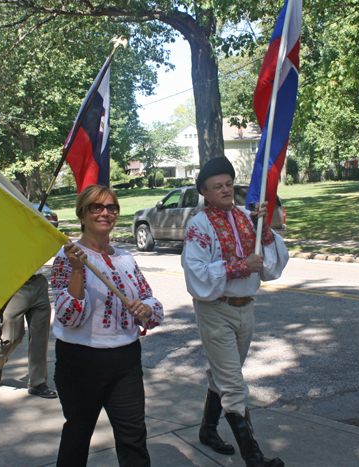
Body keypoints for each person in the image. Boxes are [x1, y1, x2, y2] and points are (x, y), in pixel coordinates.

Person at [181, 157, 289, 467]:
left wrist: (265, 231)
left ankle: (207, 430)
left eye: (229, 183)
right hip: (216, 310)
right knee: (232, 382)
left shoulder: (246, 217)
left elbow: (272, 263)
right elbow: (196, 273)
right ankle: (253, 456)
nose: (226, 189)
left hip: (246, 309)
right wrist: (241, 266)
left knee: (223, 375)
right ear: (205, 191)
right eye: (218, 186)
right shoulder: (199, 225)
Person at [51, 184, 164, 467]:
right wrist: (78, 270)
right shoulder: (67, 258)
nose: (105, 213)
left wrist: (146, 308)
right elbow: (69, 317)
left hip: (125, 359)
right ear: (82, 213)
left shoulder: (125, 258)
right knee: (78, 434)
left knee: (133, 436)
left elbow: (151, 303)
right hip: (81, 361)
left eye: (111, 207)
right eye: (97, 207)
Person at [0, 180, 57, 399]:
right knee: (12, 335)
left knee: (40, 337)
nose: (18, 198)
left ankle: (37, 382)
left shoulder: (34, 219)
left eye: (21, 194)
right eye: (13, 194)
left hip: (37, 283)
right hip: (14, 286)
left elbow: (48, 244)